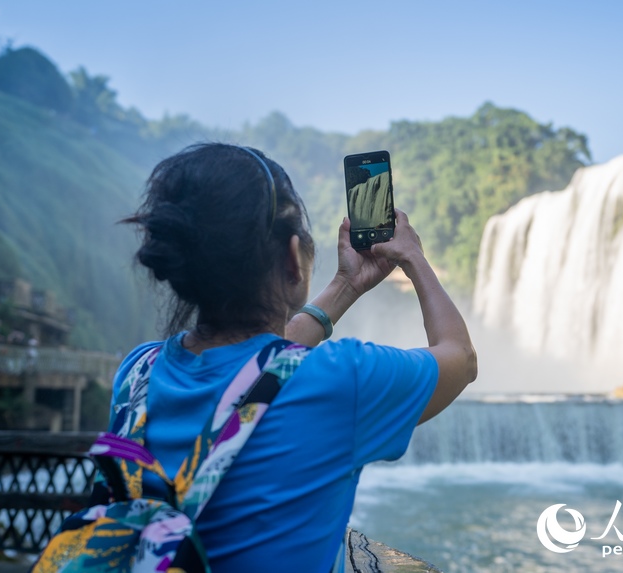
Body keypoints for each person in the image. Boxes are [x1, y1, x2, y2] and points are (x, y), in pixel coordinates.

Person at [115, 143, 477, 571]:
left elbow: (260, 370)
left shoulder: (138, 372)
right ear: (292, 258)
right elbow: (460, 357)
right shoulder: (343, 379)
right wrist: (413, 257)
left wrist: (346, 286)